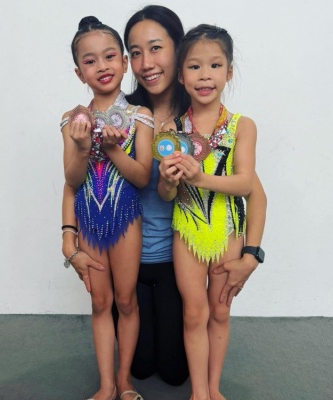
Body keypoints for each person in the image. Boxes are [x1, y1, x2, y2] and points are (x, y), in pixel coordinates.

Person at [62, 4, 267, 391]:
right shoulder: (121, 114)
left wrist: (251, 255)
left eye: (156, 48)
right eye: (135, 52)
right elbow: (77, 179)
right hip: (125, 259)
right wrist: (69, 240)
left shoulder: (203, 119)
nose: (146, 63)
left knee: (174, 372)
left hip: (178, 260)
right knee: (140, 368)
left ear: (179, 49)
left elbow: (253, 192)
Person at [157, 24, 257, 400]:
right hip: (186, 230)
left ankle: (214, 388)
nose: (205, 75)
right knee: (194, 313)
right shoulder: (172, 130)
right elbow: (166, 194)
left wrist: (199, 177)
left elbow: (244, 184)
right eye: (194, 67)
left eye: (215, 66)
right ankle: (198, 392)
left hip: (228, 231)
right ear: (181, 76)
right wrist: (168, 181)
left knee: (220, 310)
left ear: (228, 72)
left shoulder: (241, 127)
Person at [60, 15, 153, 400]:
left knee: (126, 300)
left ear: (125, 62)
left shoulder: (140, 116)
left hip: (126, 219)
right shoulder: (73, 120)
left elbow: (142, 177)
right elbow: (72, 180)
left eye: (110, 56)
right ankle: (106, 384)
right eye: (90, 60)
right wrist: (84, 147)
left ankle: (125, 380)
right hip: (89, 221)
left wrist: (113, 149)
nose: (102, 66)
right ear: (79, 72)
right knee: (100, 302)